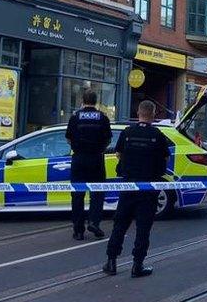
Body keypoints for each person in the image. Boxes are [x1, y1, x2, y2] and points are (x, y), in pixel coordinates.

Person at [103, 100, 171, 278]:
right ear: (154, 114)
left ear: (138, 112)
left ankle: (111, 261)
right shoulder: (157, 135)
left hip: (128, 186)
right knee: (143, 228)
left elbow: (118, 154)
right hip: (148, 188)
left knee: (120, 224)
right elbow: (164, 159)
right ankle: (137, 265)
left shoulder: (127, 132)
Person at [66, 89, 112, 241]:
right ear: (96, 101)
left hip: (79, 159)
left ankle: (78, 230)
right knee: (97, 193)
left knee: (77, 195)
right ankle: (94, 222)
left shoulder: (75, 117)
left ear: (83, 101)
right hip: (96, 159)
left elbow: (69, 138)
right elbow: (108, 139)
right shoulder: (103, 118)